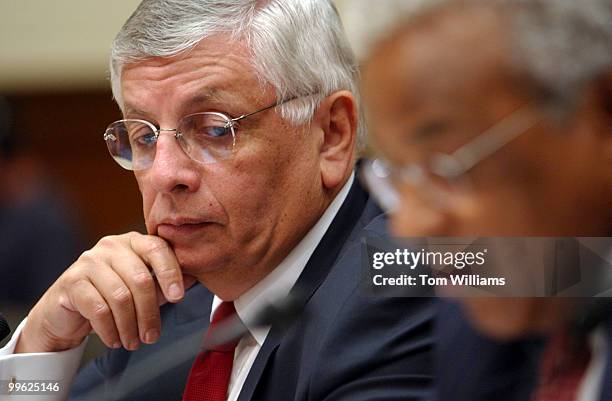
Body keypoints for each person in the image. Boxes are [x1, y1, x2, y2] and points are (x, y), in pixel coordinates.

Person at [0, 1, 434, 401]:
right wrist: (44, 344)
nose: (166, 174)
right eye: (145, 136)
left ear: (331, 135)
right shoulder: (169, 298)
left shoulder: (415, 271)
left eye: (213, 128)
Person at [355, 0, 612, 400]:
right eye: (399, 174)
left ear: (603, 111)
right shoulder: (475, 325)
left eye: (444, 169)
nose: (409, 227)